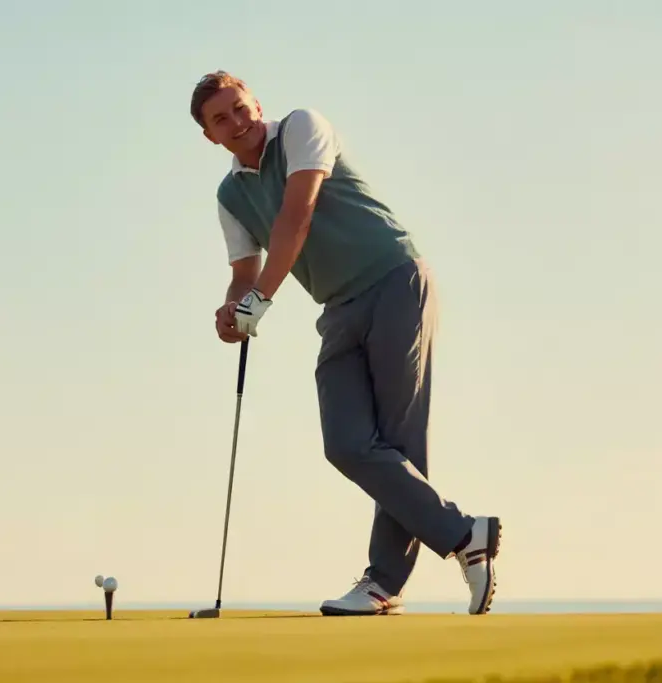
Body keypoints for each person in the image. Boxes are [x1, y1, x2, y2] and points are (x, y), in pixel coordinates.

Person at [189, 70, 502, 616]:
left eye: (240, 108)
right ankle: (462, 534)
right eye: (221, 119)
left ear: (256, 102)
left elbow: (297, 214)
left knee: (399, 438)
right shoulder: (230, 195)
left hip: (394, 279)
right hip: (337, 306)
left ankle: (382, 584)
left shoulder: (302, 128)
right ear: (209, 137)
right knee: (347, 442)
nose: (237, 122)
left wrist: (259, 300)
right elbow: (245, 269)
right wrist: (233, 309)